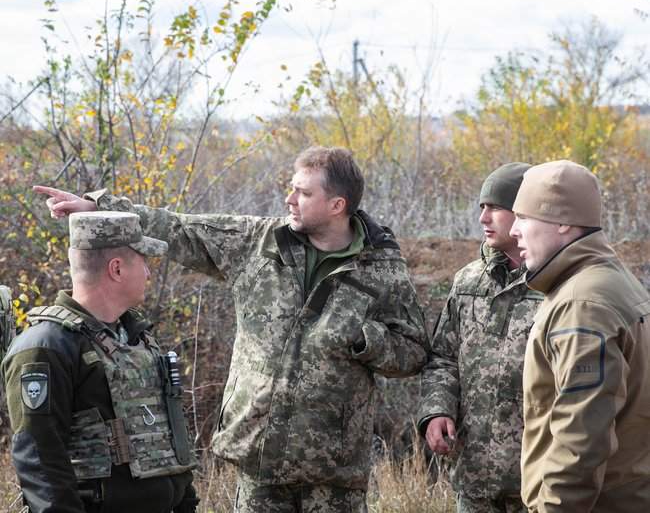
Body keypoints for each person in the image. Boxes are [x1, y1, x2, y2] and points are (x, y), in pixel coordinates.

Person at [33, 146, 427, 513]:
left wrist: (364, 339)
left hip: (334, 469)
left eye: (303, 193)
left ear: (337, 204)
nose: (289, 199)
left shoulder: (381, 267)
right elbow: (179, 229)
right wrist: (101, 208)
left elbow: (414, 350)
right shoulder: (258, 243)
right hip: (258, 458)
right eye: (291, 188)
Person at [1, 211, 199, 513]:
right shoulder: (46, 348)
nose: (148, 273)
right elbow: (41, 464)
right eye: (143, 261)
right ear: (116, 269)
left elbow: (167, 438)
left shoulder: (138, 337)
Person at [510, 160, 650, 512]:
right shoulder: (612, 281)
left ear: (563, 222)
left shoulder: (582, 303)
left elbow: (581, 442)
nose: (514, 230)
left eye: (523, 217)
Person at [417, 163, 543, 513]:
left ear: (524, 213)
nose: (484, 218)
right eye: (481, 208)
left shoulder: (558, 287)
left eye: (495, 208)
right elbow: (442, 357)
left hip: (539, 484)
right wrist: (437, 411)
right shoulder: (469, 283)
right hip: (474, 480)